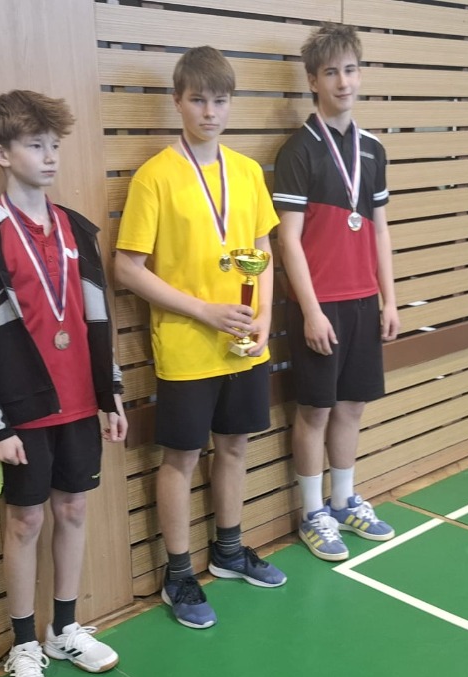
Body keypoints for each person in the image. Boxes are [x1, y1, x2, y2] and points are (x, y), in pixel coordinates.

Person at [0, 89, 127, 677]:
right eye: (35, 145)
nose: (50, 156)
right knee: (25, 521)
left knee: (73, 511)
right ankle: (24, 645)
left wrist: (112, 391)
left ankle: (64, 630)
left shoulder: (78, 229)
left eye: (55, 145)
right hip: (20, 410)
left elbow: (98, 319)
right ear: (2, 153)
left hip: (80, 401)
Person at [115, 46, 287, 629]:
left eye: (219, 100)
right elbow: (127, 268)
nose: (209, 112)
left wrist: (263, 316)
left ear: (231, 103)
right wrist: (204, 311)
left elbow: (263, 251)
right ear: (178, 101)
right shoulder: (155, 176)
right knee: (182, 458)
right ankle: (178, 574)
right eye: (198, 100)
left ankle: (229, 551)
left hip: (245, 344)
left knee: (235, 446)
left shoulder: (247, 172)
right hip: (187, 347)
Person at [273, 23, 400, 562]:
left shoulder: (372, 149)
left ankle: (344, 500)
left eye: (350, 70)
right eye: (331, 72)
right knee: (316, 411)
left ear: (360, 74)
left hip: (363, 302)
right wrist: (310, 311)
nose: (343, 82)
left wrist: (389, 299)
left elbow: (380, 230)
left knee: (351, 407)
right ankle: (312, 512)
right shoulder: (298, 150)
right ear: (313, 81)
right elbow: (288, 240)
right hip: (319, 307)